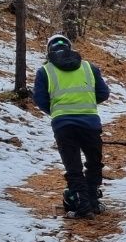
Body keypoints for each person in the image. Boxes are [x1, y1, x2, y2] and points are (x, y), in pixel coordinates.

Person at [31, 34, 110, 218]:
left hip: (63, 125)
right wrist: (87, 103)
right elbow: (104, 93)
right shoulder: (89, 67)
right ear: (69, 47)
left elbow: (40, 99)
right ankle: (93, 201)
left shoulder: (45, 71)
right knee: (94, 163)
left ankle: (83, 207)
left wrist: (58, 111)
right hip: (90, 122)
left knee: (73, 167)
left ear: (48, 50)